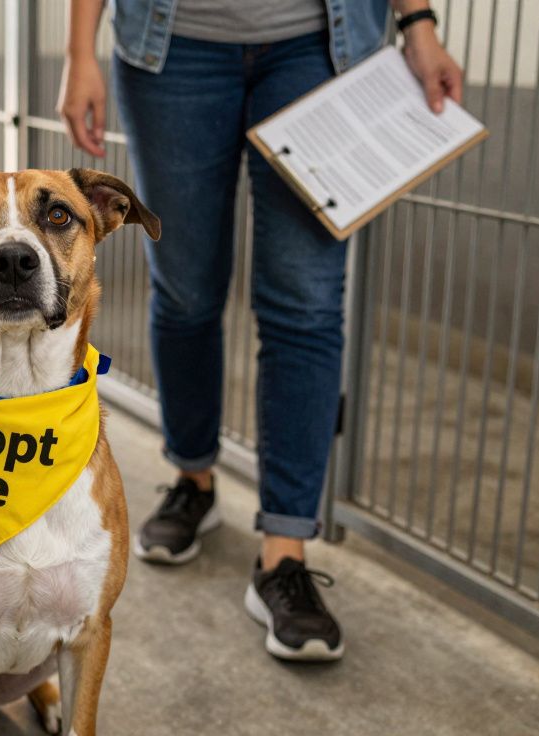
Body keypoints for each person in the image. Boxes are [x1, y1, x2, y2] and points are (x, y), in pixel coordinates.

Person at [59, 0, 461, 660]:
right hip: (171, 48)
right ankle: (193, 480)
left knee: (305, 301)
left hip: (320, 48)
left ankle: (284, 553)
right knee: (185, 293)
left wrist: (418, 22)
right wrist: (80, 53)